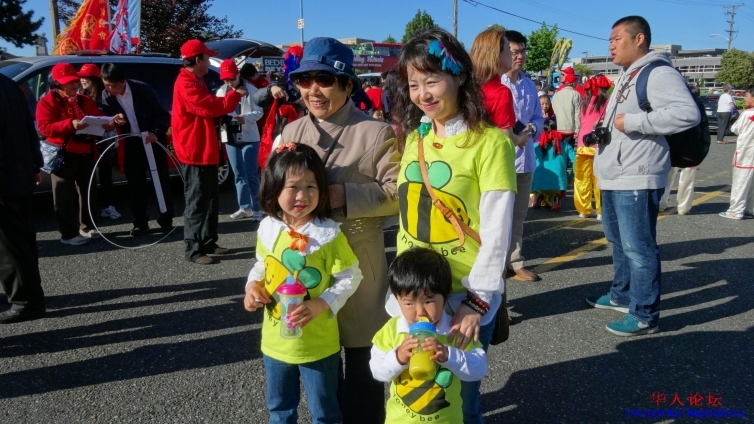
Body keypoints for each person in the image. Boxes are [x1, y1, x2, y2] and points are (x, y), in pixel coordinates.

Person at [391, 28, 516, 424]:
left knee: (461, 399)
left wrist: (477, 303)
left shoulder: (491, 142)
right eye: (414, 84)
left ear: (459, 75)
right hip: (413, 294)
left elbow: (497, 233)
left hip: (463, 296)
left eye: (431, 80)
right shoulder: (416, 137)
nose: (422, 94)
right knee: (415, 395)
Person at [284, 37, 400, 424]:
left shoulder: (374, 132)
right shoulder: (291, 131)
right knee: (321, 362)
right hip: (306, 264)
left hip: (357, 262)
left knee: (362, 360)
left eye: (325, 80)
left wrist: (343, 195)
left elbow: (398, 193)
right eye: (305, 80)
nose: (313, 90)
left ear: (348, 85)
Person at [588, 16, 700, 336]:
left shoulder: (658, 72)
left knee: (638, 248)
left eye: (617, 38)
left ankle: (644, 314)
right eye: (609, 40)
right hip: (616, 173)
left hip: (637, 175)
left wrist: (634, 123)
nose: (611, 45)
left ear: (639, 39)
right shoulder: (629, 73)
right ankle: (622, 295)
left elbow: (687, 114)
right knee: (619, 242)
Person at [244, 143, 363, 424]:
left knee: (325, 411)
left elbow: (350, 276)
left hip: (318, 344)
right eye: (293, 187)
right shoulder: (269, 228)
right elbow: (262, 264)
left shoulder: (327, 234)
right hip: (275, 343)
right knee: (279, 408)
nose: (302, 195)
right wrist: (252, 287)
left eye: (311, 186)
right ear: (274, 189)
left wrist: (322, 303)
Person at [369, 247, 487, 424]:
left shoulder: (455, 331)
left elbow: (479, 369)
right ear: (397, 300)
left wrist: (448, 355)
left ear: (445, 296)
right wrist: (398, 357)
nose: (420, 312)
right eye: (409, 303)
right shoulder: (393, 330)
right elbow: (377, 371)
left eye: (429, 301)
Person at [172, 39, 244, 264]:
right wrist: (234, 94)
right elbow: (209, 106)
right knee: (197, 201)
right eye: (206, 58)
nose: (209, 62)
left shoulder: (196, 79)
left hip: (205, 148)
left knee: (211, 199)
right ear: (197, 60)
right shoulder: (186, 82)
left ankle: (208, 241)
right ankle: (194, 249)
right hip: (195, 150)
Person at [36, 62, 113, 245]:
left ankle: (88, 226)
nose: (74, 84)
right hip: (63, 154)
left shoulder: (84, 100)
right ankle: (68, 234)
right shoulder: (47, 101)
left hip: (86, 151)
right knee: (63, 195)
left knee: (88, 191)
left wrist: (111, 122)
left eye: (75, 80)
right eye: (69, 81)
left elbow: (99, 119)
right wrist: (70, 124)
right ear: (57, 83)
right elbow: (44, 128)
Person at [100, 63, 174, 236]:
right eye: (106, 84)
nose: (110, 89)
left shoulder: (142, 89)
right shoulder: (106, 95)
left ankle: (166, 219)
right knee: (135, 182)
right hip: (131, 140)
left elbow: (162, 114)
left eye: (113, 85)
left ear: (123, 81)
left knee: (160, 179)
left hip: (152, 138)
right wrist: (115, 120)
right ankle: (140, 222)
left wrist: (156, 132)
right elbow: (107, 118)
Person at [500, 29, 546, 281]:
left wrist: (533, 128)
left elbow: (538, 117)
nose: (520, 56)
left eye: (523, 51)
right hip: (500, 160)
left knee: (518, 215)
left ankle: (515, 261)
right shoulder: (495, 83)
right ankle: (496, 264)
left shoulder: (529, 84)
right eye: (514, 51)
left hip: (525, 157)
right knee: (497, 216)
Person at [0, 73, 46, 324]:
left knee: (10, 245)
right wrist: (35, 164)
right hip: (20, 171)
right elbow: (29, 126)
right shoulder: (8, 83)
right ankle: (30, 294)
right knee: (24, 239)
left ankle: (25, 300)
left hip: (5, 178)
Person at [216, 59, 264, 220]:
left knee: (251, 174)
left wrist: (244, 118)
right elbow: (218, 110)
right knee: (238, 174)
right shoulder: (221, 91)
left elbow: (259, 112)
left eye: (232, 78)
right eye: (226, 80)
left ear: (238, 75)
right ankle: (244, 207)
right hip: (230, 136)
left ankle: (257, 208)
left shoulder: (251, 89)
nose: (229, 82)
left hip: (249, 136)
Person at [78, 63, 122, 221]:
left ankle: (108, 206)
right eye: (81, 77)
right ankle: (88, 210)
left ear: (95, 80)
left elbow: (116, 116)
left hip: (105, 139)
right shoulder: (79, 95)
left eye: (86, 78)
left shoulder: (106, 96)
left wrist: (109, 121)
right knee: (87, 176)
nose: (82, 80)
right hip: (86, 139)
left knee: (105, 174)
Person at [574, 75, 612, 220]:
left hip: (582, 144)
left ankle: (583, 209)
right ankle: (601, 211)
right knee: (599, 179)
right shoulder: (607, 102)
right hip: (598, 145)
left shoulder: (584, 103)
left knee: (582, 179)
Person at [720, 85, 754, 220]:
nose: (745, 98)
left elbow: (735, 129)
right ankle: (749, 209)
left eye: (747, 96)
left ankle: (735, 211)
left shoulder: (748, 114)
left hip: (746, 153)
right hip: (751, 154)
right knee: (751, 185)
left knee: (740, 182)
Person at [530, 118, 575, 211]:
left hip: (537, 185)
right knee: (556, 188)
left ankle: (538, 196)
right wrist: (570, 177)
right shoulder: (565, 145)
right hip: (558, 185)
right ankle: (555, 197)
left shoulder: (535, 146)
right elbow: (576, 161)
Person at [551, 69, 581, 147]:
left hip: (557, 127)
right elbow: (577, 113)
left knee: (559, 149)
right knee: (569, 150)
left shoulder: (557, 94)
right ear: (573, 83)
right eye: (576, 81)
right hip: (570, 128)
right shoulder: (576, 94)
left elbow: (553, 110)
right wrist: (577, 129)